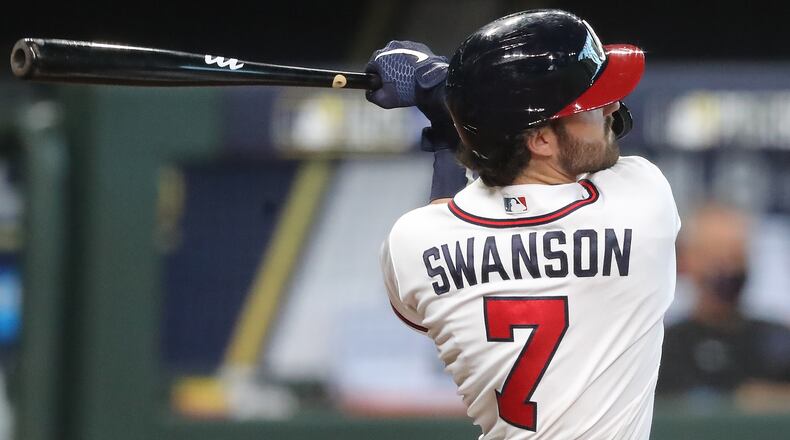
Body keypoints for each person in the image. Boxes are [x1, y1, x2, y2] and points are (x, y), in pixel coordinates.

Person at [367, 9, 679, 439]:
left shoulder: (412, 241)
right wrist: (439, 86)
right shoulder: (643, 199)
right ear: (540, 140)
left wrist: (451, 109)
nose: (611, 107)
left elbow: (446, 231)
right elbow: (613, 137)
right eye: (591, 107)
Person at [657, 203, 790, 397]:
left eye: (736, 256)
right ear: (688, 260)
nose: (728, 268)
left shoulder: (777, 339)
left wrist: (773, 398)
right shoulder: (664, 346)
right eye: (716, 256)